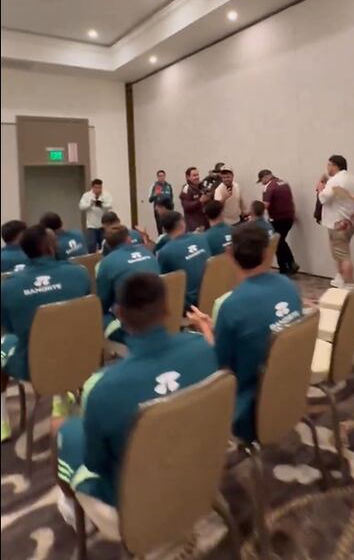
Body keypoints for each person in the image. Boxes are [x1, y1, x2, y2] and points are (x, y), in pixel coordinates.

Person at [55, 273, 217, 525]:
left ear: (119, 314)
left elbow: (95, 463)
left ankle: (73, 511)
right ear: (167, 307)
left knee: (65, 430)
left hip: (136, 505)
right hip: (204, 470)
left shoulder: (100, 390)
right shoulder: (206, 351)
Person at [186, 223, 303, 442]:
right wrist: (216, 327)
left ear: (229, 253)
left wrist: (203, 327)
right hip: (290, 390)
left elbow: (220, 367)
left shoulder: (232, 306)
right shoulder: (288, 286)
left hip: (250, 409)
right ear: (268, 251)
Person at [0, 225, 91, 443]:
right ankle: (62, 393)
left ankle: (3, 420)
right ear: (50, 247)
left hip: (34, 364)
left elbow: (9, 329)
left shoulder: (8, 287)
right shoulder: (79, 273)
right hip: (80, 355)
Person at [96, 225, 161, 345]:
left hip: (132, 326)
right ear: (129, 239)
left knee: (99, 315)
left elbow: (102, 304)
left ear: (108, 245)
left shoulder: (106, 263)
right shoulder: (147, 252)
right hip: (159, 315)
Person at [318, 154, 354, 289]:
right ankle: (340, 278)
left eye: (328, 165)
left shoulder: (335, 181)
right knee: (338, 251)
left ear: (334, 166)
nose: (327, 168)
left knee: (343, 254)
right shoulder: (353, 178)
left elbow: (324, 198)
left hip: (338, 222)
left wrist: (320, 187)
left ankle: (349, 285)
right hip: (350, 220)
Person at [156, 211, 210, 311]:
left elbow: (164, 282)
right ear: (182, 223)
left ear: (164, 230)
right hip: (211, 293)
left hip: (189, 304)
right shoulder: (202, 238)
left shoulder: (165, 252)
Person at [257, 169, 299, 275]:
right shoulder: (284, 182)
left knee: (277, 243)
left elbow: (265, 205)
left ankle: (285, 268)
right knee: (280, 241)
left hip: (278, 219)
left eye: (261, 180)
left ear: (266, 176)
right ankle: (290, 264)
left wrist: (253, 213)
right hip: (289, 217)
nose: (262, 183)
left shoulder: (269, 186)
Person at [78, 179, 112, 253]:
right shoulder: (86, 195)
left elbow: (110, 206)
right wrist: (90, 205)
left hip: (103, 225)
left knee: (104, 246)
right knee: (91, 245)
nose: (98, 189)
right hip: (91, 225)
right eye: (96, 187)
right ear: (92, 187)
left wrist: (102, 204)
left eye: (100, 187)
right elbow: (81, 207)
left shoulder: (106, 195)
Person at [180, 167, 210, 232]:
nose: (197, 177)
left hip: (205, 222)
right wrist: (200, 201)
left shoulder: (201, 186)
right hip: (195, 225)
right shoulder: (186, 188)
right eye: (194, 175)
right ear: (188, 177)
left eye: (197, 175)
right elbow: (186, 206)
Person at [147, 170, 174, 235]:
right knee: (160, 227)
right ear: (157, 177)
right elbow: (150, 199)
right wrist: (155, 194)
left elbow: (171, 197)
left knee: (169, 227)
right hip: (158, 209)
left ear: (165, 176)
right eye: (160, 176)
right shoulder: (154, 185)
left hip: (168, 209)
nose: (161, 177)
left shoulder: (168, 185)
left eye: (163, 176)